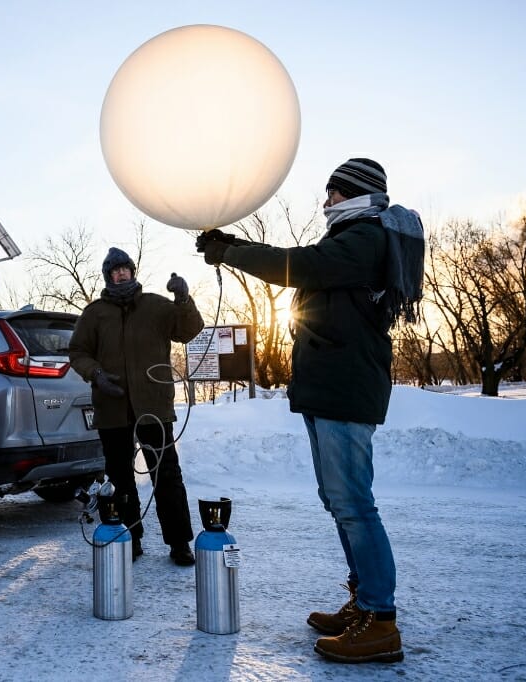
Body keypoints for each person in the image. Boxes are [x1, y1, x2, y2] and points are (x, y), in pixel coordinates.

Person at [197, 158, 424, 663]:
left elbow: (300, 267)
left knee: (355, 505)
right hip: (330, 388)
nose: (326, 204)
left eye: (333, 194)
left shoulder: (364, 237)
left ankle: (380, 619)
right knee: (339, 501)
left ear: (357, 194)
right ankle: (362, 603)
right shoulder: (353, 236)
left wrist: (231, 250)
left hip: (346, 390)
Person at [68, 248, 205, 566]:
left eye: (124, 268)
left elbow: (189, 330)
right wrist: (97, 374)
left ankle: (179, 542)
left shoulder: (156, 305)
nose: (120, 273)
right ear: (107, 276)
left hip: (153, 407)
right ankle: (129, 537)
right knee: (119, 478)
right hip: (112, 408)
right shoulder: (95, 313)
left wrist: (184, 299)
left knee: (167, 474)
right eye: (113, 270)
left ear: (132, 270)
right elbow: (78, 352)